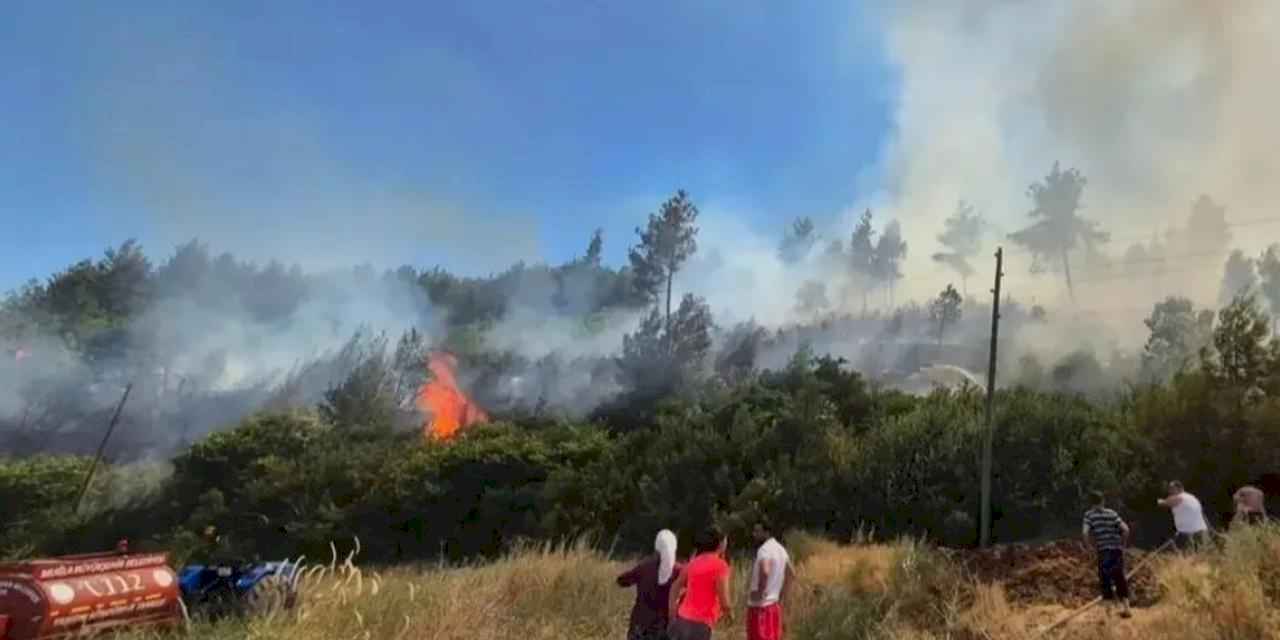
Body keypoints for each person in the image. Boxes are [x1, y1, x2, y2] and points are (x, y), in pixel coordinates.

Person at [667, 525, 732, 640]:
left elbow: (675, 586)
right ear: (720, 543)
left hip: (682, 619)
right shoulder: (720, 566)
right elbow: (725, 602)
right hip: (701, 624)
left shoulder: (693, 563)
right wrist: (729, 616)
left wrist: (672, 610)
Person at [618, 530, 684, 640]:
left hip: (640, 622)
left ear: (656, 547)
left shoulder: (644, 566)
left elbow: (622, 581)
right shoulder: (679, 570)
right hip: (664, 626)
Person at [1083, 491, 1132, 618]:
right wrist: (1123, 545)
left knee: (1105, 581)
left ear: (1090, 503)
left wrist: (1089, 548)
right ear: (1103, 501)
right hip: (1116, 550)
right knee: (1120, 578)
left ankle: (1108, 614)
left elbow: (1085, 533)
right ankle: (1127, 609)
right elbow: (1126, 529)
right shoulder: (1112, 513)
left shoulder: (1089, 515)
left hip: (1103, 551)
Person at [747, 518, 794, 640]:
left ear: (767, 533)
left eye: (758, 531)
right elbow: (791, 574)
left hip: (760, 608)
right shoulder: (781, 549)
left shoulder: (764, 550)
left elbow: (765, 571)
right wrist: (781, 595)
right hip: (773, 607)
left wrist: (759, 593)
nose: (754, 534)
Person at [1158, 481, 1209, 551]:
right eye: (1169, 489)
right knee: (1201, 557)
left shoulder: (1180, 497)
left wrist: (1157, 501)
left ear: (1180, 489)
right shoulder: (1192, 497)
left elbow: (1164, 503)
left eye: (1172, 489)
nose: (1170, 491)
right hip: (1201, 532)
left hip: (1187, 534)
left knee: (1184, 557)